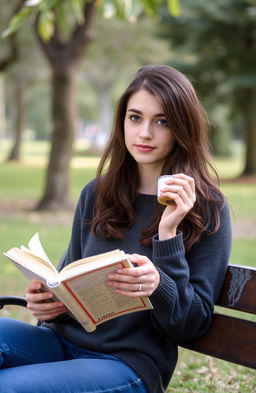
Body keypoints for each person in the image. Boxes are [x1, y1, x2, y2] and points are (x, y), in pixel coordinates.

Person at [0, 65, 232, 393]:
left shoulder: (207, 209)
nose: (145, 133)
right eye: (135, 118)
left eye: (162, 121)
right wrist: (50, 305)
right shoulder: (97, 192)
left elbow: (188, 326)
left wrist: (167, 242)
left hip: (126, 364)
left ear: (182, 127)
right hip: (60, 341)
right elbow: (68, 281)